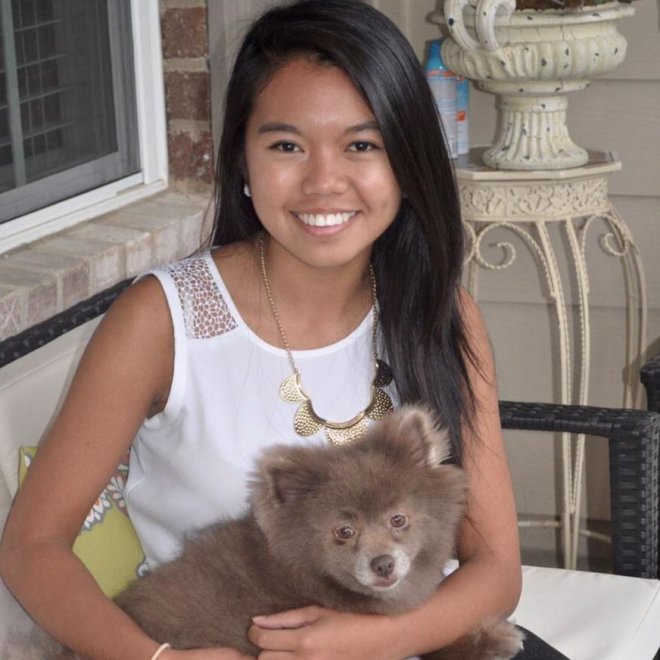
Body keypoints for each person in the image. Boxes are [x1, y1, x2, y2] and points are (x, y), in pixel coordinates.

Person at [0, 1, 567, 658]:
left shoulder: (439, 313)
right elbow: (32, 545)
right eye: (287, 146)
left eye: (362, 145)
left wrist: (377, 639)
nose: (323, 182)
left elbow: (495, 568)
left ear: (408, 162)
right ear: (242, 160)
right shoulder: (164, 320)